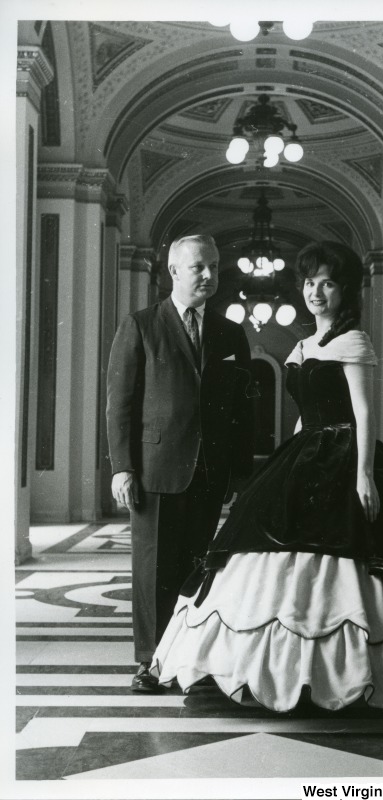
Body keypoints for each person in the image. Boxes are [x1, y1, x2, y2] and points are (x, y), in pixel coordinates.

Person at [151, 240, 383, 714]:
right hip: (307, 453)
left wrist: (364, 476)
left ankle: (362, 674)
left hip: (350, 456)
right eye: (308, 282)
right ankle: (273, 672)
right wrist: (289, 461)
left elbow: (365, 415)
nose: (315, 292)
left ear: (345, 292)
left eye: (327, 283)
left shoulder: (353, 342)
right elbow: (306, 414)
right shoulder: (303, 345)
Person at [106, 234, 253, 693]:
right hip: (153, 470)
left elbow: (243, 407)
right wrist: (121, 467)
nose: (209, 275)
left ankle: (187, 657)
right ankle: (150, 663)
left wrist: (240, 473)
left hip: (210, 472)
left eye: (213, 265)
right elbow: (119, 404)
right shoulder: (142, 326)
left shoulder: (231, 333)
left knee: (198, 569)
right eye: (198, 268)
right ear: (173, 271)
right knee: (153, 572)